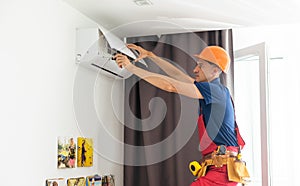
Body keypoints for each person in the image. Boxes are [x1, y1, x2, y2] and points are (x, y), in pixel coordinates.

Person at [114, 44, 247, 186]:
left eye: (201, 66)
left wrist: (131, 67)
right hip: (220, 167)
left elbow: (169, 86)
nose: (195, 69)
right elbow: (178, 76)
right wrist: (152, 56)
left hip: (222, 170)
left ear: (215, 71)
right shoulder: (213, 90)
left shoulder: (214, 91)